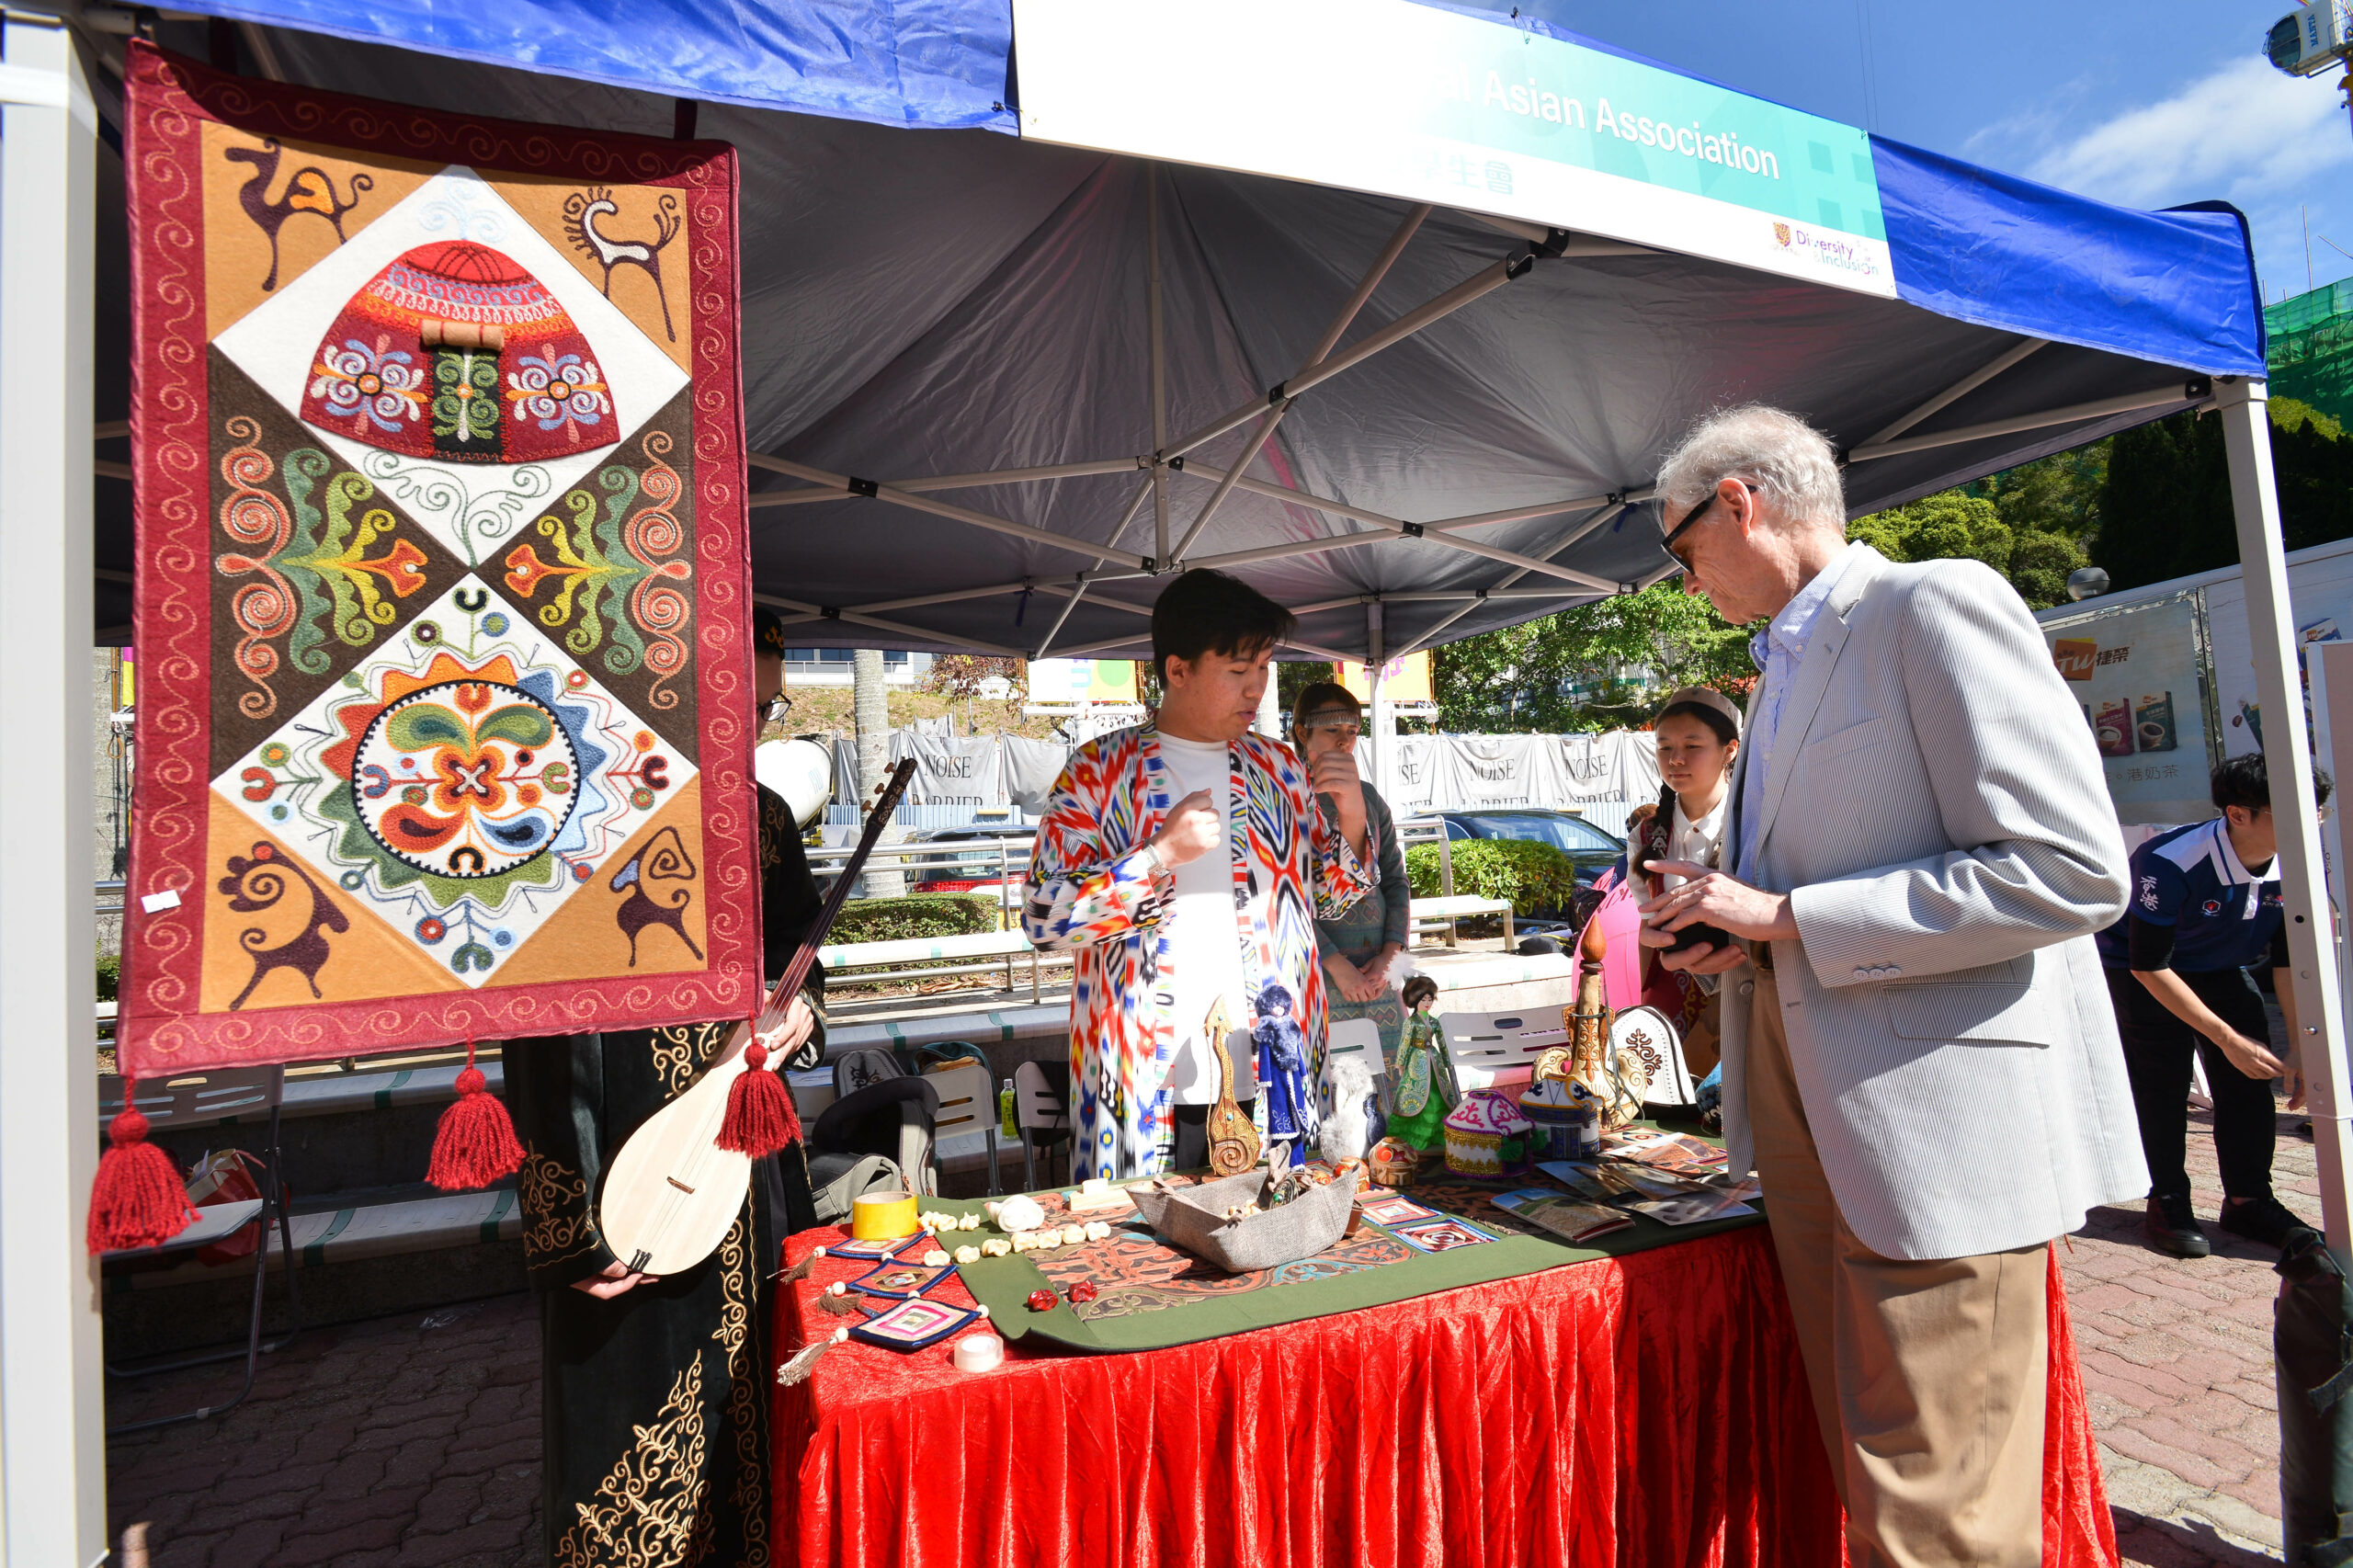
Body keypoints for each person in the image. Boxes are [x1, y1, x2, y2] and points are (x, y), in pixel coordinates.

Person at [1634, 404, 2146, 1567]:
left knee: (1940, 1517)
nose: (1682, 581)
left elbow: (2070, 869)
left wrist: (1785, 917)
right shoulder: (1782, 667)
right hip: (1820, 1119)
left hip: (1934, 1127)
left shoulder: (1934, 602)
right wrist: (1739, 936)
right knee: (1879, 1484)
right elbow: (1813, 893)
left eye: (1678, 548)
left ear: (1738, 502)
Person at [505, 604, 825, 1567]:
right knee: (631, 1416)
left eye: (766, 710)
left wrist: (794, 1015)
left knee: (767, 1395)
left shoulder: (763, 815)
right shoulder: (564, 811)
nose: (753, 729)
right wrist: (576, 1221)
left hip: (752, 1155)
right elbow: (539, 1037)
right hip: (621, 1152)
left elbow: (805, 955)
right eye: (741, 704)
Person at [1023, 569, 1374, 1177]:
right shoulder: (1099, 771)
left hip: (1275, 1070)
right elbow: (1043, 917)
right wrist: (1158, 857)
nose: (1256, 690)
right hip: (1140, 1081)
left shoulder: (1279, 767)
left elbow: (1328, 901)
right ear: (1177, 670)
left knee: (1282, 1242)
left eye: (1264, 670)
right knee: (1139, 1258)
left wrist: (1354, 825)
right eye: (1238, 672)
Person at [2099, 752, 2323, 1258]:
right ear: (2238, 814)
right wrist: (2225, 1039)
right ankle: (2169, 1198)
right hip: (2145, 971)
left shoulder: (2299, 860)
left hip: (2220, 968)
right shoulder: (2170, 860)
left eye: (2317, 811)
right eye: (2294, 811)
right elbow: (2149, 964)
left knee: (2251, 1075)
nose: (2310, 825)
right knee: (2163, 1082)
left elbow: (2289, 959)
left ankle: (2248, 1199)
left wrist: (2303, 1043)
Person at [1618, 686, 1743, 1075]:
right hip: (1670, 996)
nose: (1676, 759)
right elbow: (1645, 924)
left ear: (1730, 749)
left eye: (1693, 745)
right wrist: (1642, 1002)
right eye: (1664, 746)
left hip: (1741, 996)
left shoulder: (1752, 826)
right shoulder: (1647, 834)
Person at [1293, 680, 1411, 1070]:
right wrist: (1336, 965)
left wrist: (1390, 956)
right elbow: (1287, 897)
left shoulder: (1369, 798)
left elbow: (1395, 881)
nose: (1345, 742)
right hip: (1319, 975)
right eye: (1332, 729)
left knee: (1397, 1089)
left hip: (1378, 975)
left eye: (1352, 732)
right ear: (1301, 732)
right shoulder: (1287, 799)